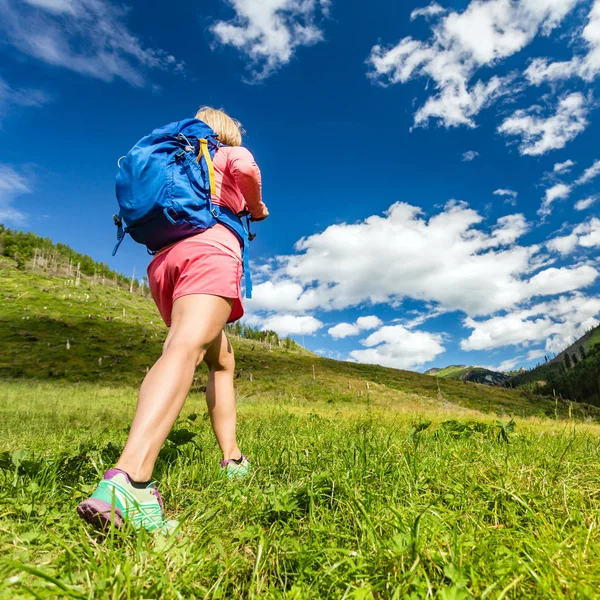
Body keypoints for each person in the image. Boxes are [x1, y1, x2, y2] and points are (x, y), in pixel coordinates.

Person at [77, 107, 269, 532]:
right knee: (185, 348)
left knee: (221, 361)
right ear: (225, 132)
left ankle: (232, 459)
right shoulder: (222, 153)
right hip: (210, 250)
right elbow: (248, 167)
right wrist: (256, 207)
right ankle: (130, 480)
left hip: (166, 263)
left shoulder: (181, 159)